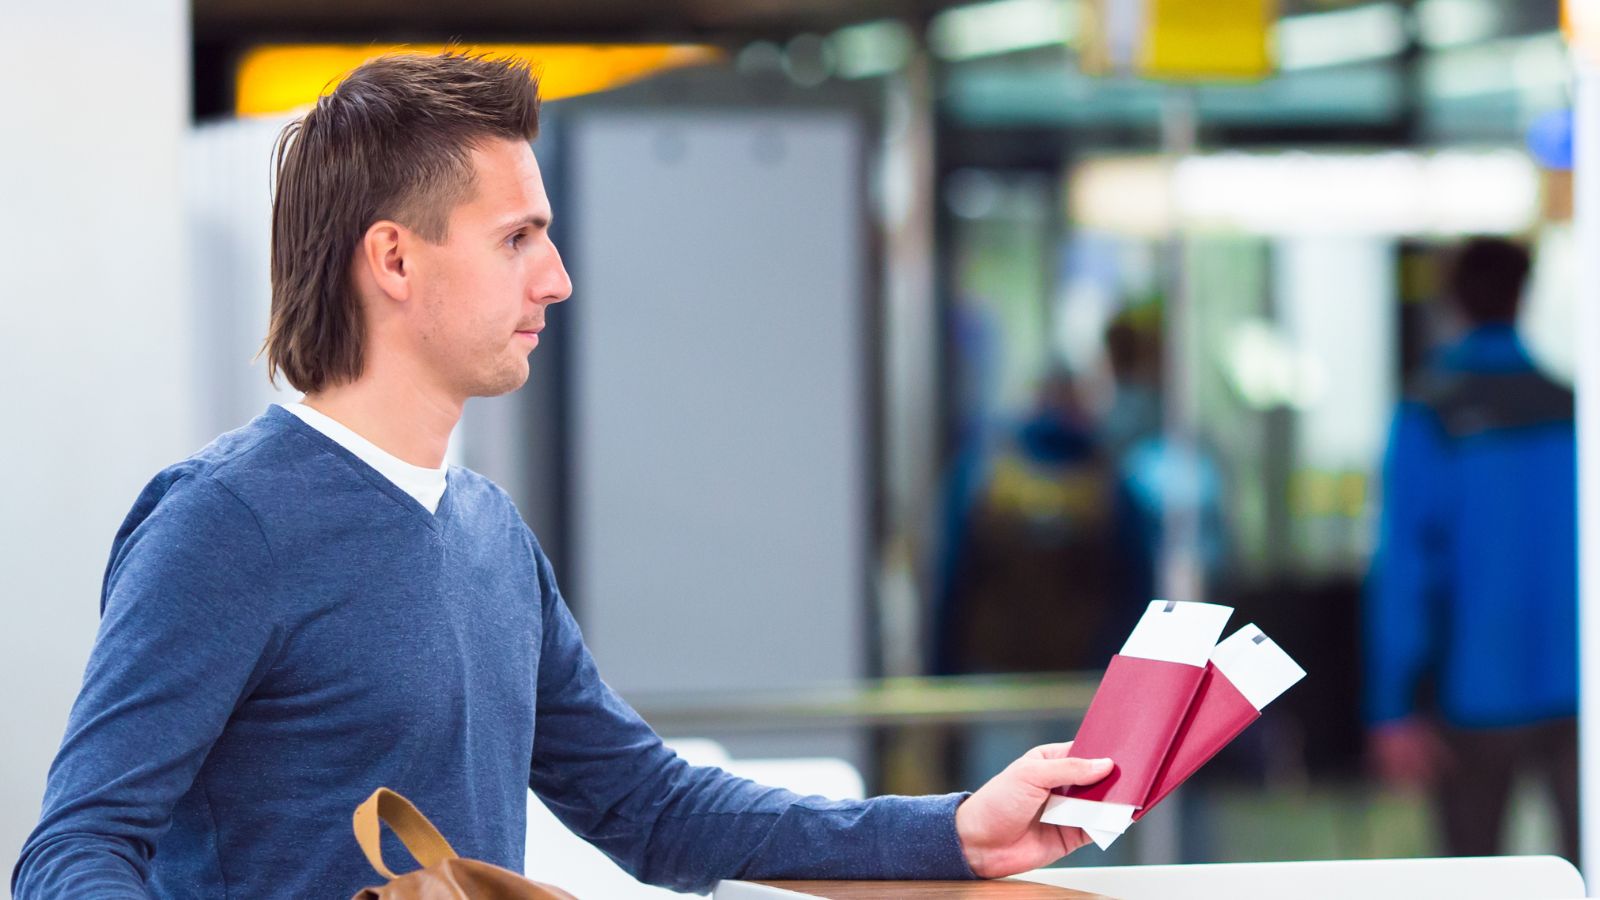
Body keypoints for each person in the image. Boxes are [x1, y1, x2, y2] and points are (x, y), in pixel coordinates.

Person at [11, 53, 1114, 898]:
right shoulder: (226, 524)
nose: (559, 277)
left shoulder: (485, 530)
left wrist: (951, 828)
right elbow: (75, 851)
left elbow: (649, 807)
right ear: (394, 260)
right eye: (517, 239)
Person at [1364, 237, 1578, 863]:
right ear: (1524, 295)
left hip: (1473, 691)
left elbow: (1404, 569)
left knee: (1475, 873)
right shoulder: (1571, 409)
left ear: (1451, 300)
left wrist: (1392, 707)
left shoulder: (1432, 413)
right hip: (1576, 685)